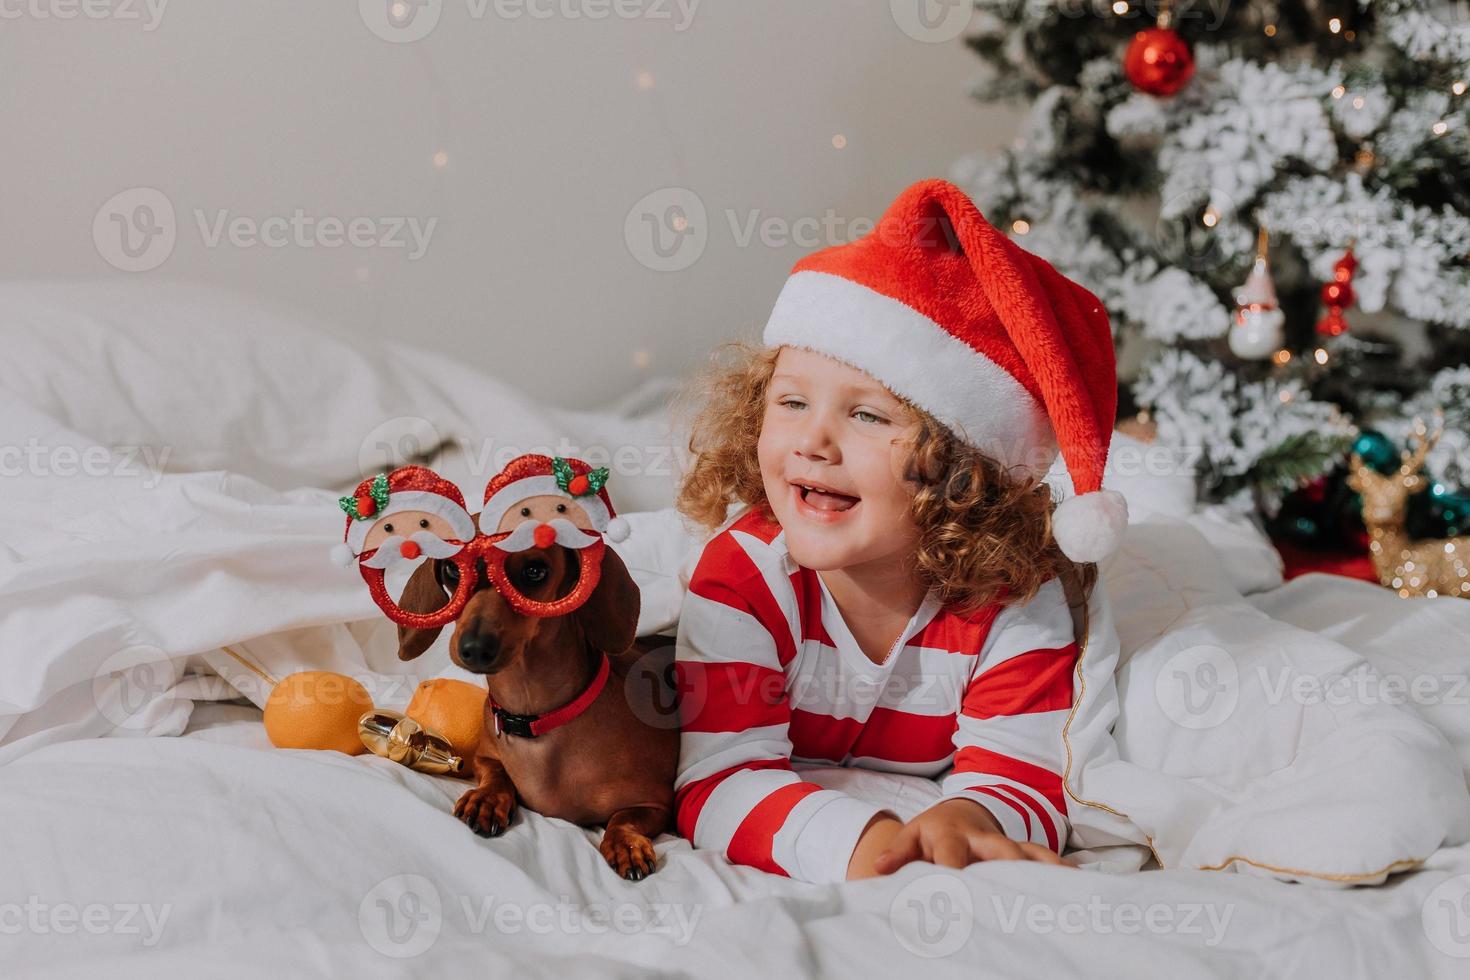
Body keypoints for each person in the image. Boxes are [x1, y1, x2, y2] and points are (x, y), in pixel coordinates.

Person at [669, 178, 1128, 883]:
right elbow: (717, 780)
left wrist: (968, 820)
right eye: (790, 402)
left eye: (868, 416)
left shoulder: (1011, 596)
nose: (813, 441)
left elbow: (1025, 777)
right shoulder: (743, 576)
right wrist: (872, 845)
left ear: (963, 471)